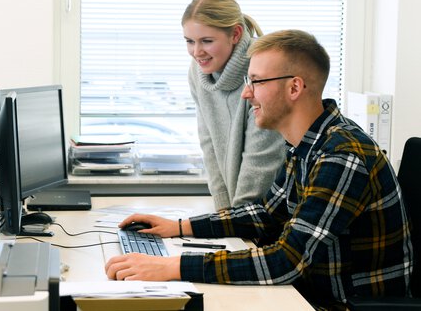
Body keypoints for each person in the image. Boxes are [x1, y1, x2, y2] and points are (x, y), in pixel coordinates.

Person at [105, 30, 413, 309]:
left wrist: (174, 266)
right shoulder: (307, 144)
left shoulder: (342, 155)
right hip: (303, 295)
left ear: (294, 87)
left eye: (256, 81)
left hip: (337, 305)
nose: (246, 93)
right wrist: (180, 226)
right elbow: (266, 215)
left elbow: (287, 261)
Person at [182, 0, 284, 210]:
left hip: (267, 212)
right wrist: (223, 213)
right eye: (190, 41)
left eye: (207, 41)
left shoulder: (263, 68)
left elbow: (262, 160)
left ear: (236, 34)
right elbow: (208, 142)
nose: (196, 52)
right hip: (238, 217)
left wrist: (236, 223)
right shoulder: (197, 71)